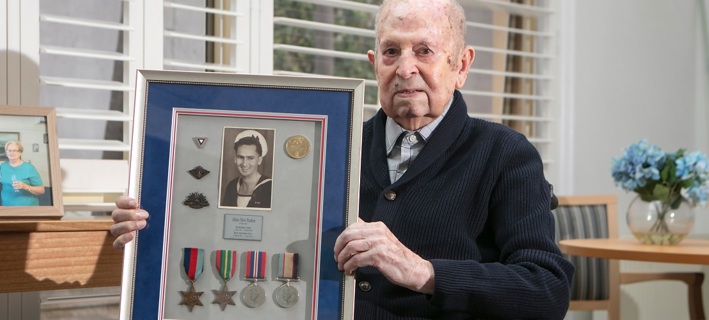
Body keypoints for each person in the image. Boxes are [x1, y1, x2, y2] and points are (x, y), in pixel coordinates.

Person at [111, 0, 574, 318]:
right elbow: (243, 224)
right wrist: (159, 220)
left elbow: (546, 290)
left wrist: (425, 272)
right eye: (391, 51)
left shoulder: (506, 155)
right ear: (374, 63)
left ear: (463, 64)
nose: (405, 67)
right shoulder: (327, 143)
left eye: (425, 51)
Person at [219, 129, 272, 208]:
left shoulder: (269, 187)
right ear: (235, 158)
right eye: (240, 157)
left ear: (259, 160)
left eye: (250, 158)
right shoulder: (232, 186)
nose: (244, 163)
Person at [0, 141, 46, 206]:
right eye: (9, 150)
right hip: (7, 206)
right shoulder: (2, 166)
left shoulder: (29, 168)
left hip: (27, 207)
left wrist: (25, 186)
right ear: (6, 152)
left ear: (20, 152)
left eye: (14, 150)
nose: (11, 153)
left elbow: (41, 190)